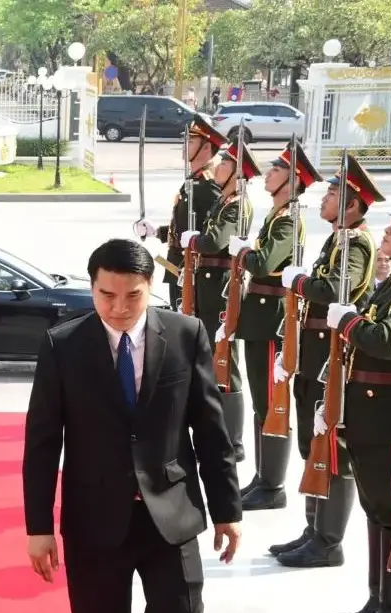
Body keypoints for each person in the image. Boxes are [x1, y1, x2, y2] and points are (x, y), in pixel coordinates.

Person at [24, 238, 242, 613]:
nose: (119, 307)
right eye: (107, 295)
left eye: (132, 296)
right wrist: (39, 527)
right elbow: (43, 443)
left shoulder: (185, 334)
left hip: (171, 514)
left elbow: (212, 430)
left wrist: (227, 509)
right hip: (94, 518)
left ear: (150, 286)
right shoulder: (62, 345)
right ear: (92, 288)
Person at [273, 155, 380, 568]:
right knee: (313, 442)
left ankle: (328, 540)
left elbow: (341, 286)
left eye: (334, 194)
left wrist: (299, 281)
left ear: (352, 206)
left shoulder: (356, 242)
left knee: (330, 445)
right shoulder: (339, 239)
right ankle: (314, 528)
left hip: (333, 356)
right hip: (316, 351)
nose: (325, 199)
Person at [325, 192, 391, 613]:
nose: (387, 232)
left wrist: (348, 321)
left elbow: (389, 341)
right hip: (369, 415)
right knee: (377, 512)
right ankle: (379, 602)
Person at [226, 139, 322, 510]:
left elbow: (264, 263)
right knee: (261, 401)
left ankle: (273, 485)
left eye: (277, 170)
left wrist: (244, 250)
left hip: (272, 321)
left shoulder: (289, 220)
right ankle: (263, 477)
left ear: (293, 180)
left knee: (272, 401)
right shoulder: (277, 216)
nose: (268, 174)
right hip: (259, 317)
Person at [180, 140, 261, 464]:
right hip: (208, 287)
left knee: (226, 361)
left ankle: (233, 441)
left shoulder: (237, 205)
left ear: (237, 174)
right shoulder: (226, 201)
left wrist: (195, 240)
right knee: (212, 361)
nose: (219, 167)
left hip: (222, 289)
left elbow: (215, 241)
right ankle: (215, 432)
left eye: (226, 164)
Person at [135, 114, 226, 312]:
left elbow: (211, 232)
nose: (184, 145)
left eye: (191, 141)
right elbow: (185, 227)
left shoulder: (208, 184)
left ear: (206, 148)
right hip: (178, 268)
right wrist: (156, 232)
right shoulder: (193, 181)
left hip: (194, 272)